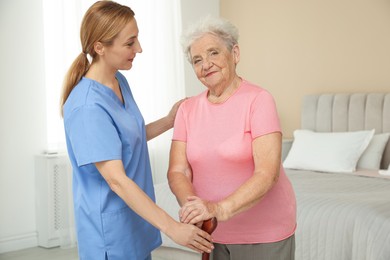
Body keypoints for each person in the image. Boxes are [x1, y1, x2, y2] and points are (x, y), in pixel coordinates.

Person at [60, 1, 214, 259]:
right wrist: (172, 228)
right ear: (100, 47)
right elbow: (116, 180)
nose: (139, 48)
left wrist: (169, 120)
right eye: (130, 43)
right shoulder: (87, 107)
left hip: (134, 221)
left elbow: (129, 138)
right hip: (109, 234)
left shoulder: (118, 80)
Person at [167, 16, 297, 260]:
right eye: (197, 60)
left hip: (264, 232)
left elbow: (267, 174)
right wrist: (196, 209)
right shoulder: (187, 110)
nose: (206, 64)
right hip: (211, 233)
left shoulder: (259, 100)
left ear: (234, 53)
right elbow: (178, 171)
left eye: (213, 53)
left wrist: (216, 209)